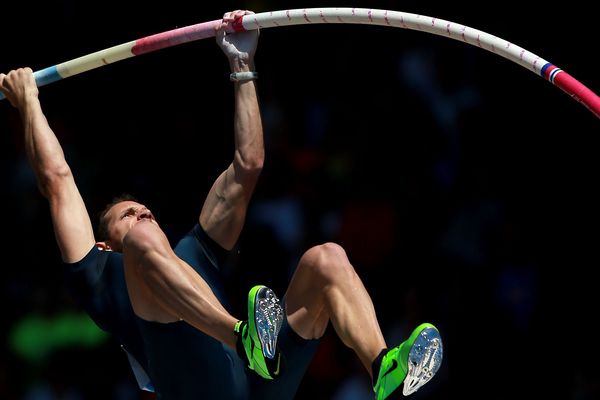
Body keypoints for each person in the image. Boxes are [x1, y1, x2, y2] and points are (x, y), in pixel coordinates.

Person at [1, 9, 443, 400]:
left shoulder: (195, 252)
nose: (142, 215)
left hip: (254, 382)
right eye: (127, 214)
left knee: (327, 259)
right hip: (196, 386)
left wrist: (242, 64)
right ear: (102, 245)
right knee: (144, 244)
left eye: (144, 209)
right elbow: (56, 179)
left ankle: (382, 367)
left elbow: (247, 165)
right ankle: (239, 336)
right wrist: (30, 103)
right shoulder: (98, 276)